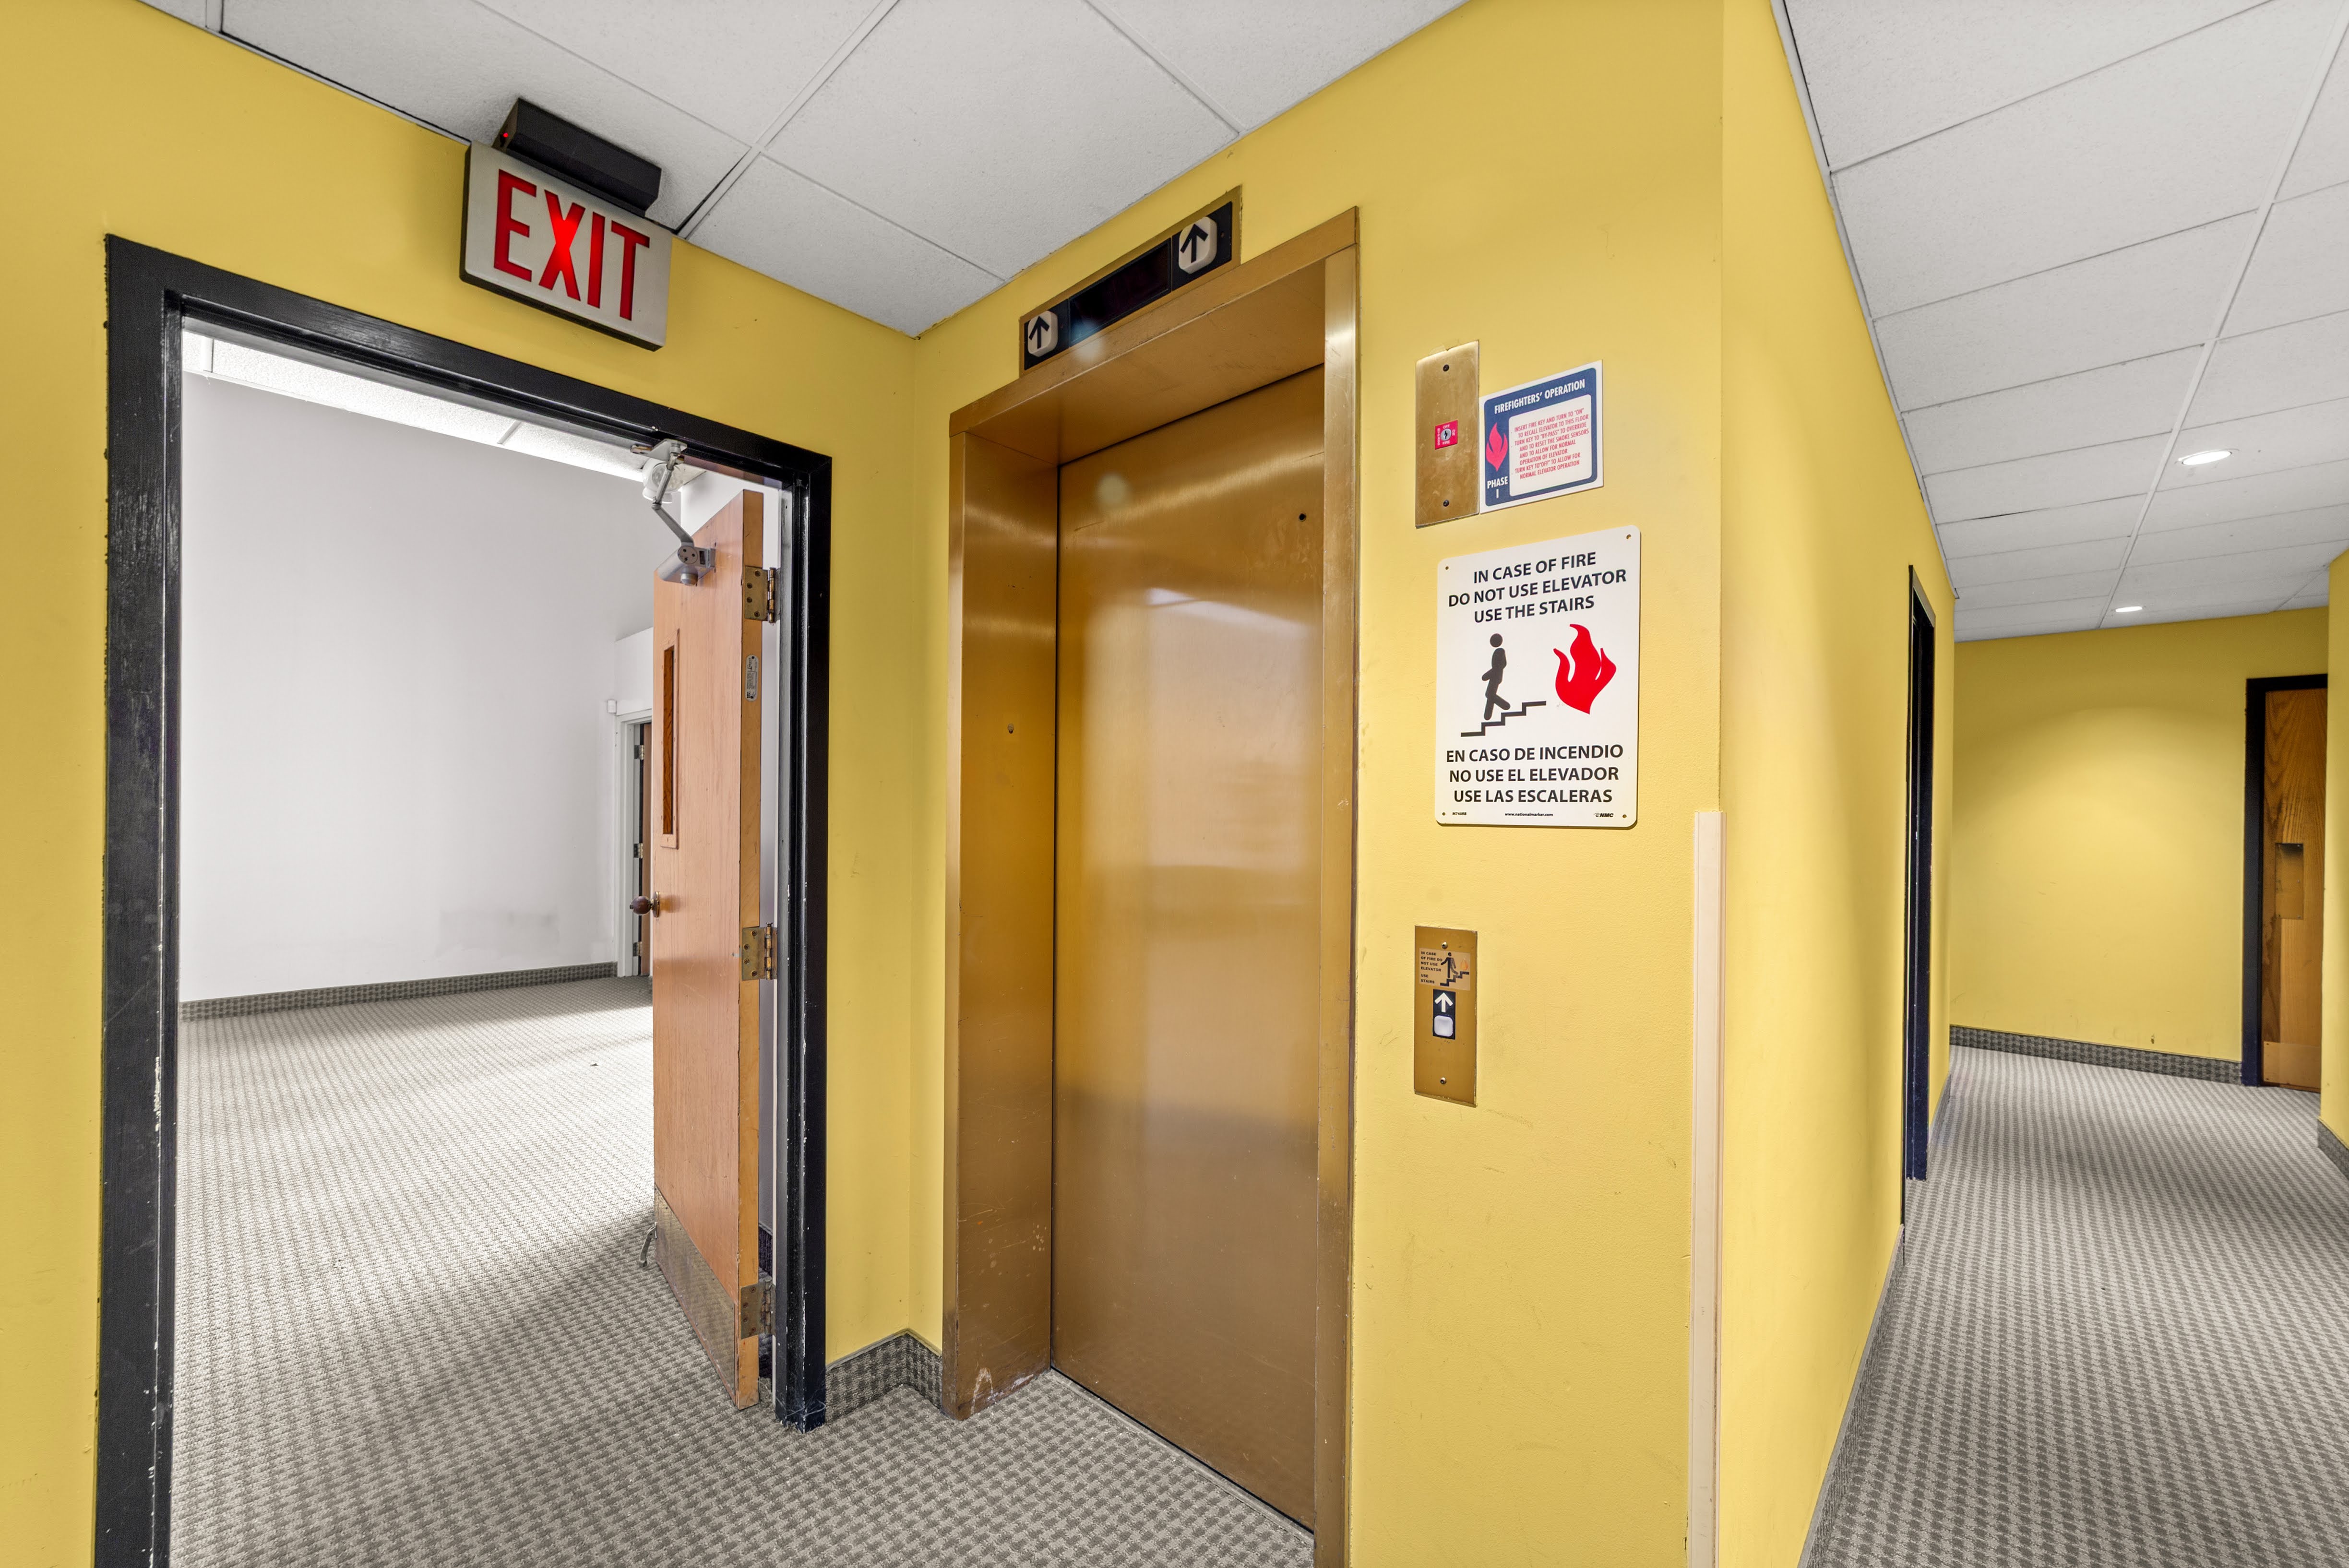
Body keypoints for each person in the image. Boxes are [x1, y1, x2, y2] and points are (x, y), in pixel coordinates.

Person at [1481, 633, 1508, 721]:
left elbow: (1501, 665)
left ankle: (1504, 705)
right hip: (1495, 677)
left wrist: (1486, 675)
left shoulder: (1500, 651)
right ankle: (1489, 715)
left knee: (1489, 694)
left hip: (1495, 677)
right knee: (1489, 694)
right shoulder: (1499, 652)